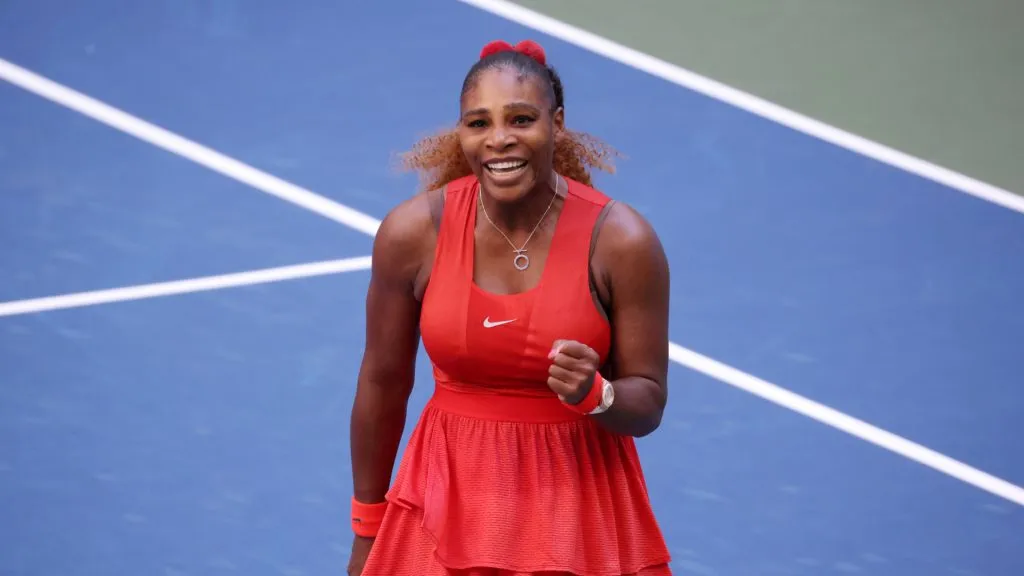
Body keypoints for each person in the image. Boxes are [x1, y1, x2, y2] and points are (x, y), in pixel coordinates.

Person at [347, 39, 673, 576]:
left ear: (558, 123)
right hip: (445, 507)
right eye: (478, 123)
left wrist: (599, 394)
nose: (500, 140)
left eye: (521, 119)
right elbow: (383, 383)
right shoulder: (411, 234)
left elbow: (649, 401)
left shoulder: (622, 242)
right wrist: (368, 528)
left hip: (576, 517)